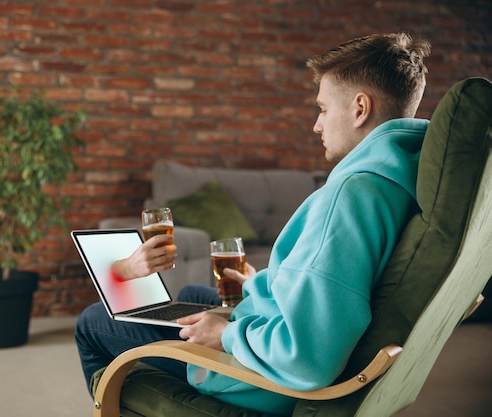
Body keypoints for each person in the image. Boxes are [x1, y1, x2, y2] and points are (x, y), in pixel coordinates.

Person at [75, 32, 431, 415]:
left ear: (360, 108)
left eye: (323, 109)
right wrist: (266, 284)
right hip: (271, 329)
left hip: (258, 381)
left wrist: (225, 334)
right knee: (196, 290)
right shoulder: (404, 179)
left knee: (94, 321)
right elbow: (333, 286)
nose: (316, 124)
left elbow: (307, 358)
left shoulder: (351, 195)